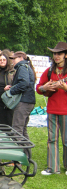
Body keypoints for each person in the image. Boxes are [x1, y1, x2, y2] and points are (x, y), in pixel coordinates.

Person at [36, 42, 67, 175]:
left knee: (66, 140)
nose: (56, 56)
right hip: (52, 109)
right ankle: (52, 168)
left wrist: (64, 87)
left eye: (59, 53)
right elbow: (38, 88)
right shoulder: (49, 71)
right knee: (52, 139)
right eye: (54, 53)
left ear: (65, 55)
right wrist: (45, 88)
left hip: (66, 111)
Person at [8, 51, 36, 140]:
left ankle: (19, 152)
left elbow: (24, 84)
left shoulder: (22, 67)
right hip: (28, 101)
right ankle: (26, 153)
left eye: (14, 58)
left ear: (21, 58)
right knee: (22, 130)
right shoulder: (26, 67)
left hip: (24, 102)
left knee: (17, 130)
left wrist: (11, 90)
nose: (12, 61)